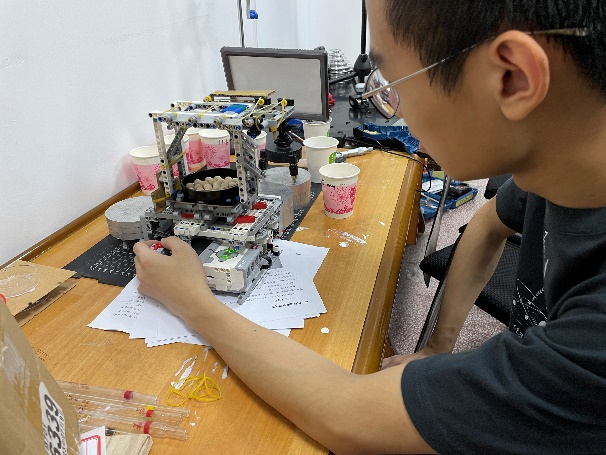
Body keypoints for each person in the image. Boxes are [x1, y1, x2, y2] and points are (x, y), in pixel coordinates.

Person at [134, 0, 606, 453]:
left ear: (512, 78)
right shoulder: (561, 167)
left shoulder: (592, 347)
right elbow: (486, 224)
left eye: (393, 81)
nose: (393, 110)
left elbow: (347, 415)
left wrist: (192, 300)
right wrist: (438, 346)